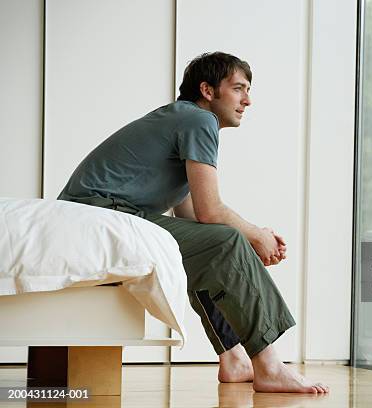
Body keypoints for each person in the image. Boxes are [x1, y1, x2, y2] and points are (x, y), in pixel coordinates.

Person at [57, 51, 329, 394]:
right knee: (226, 243)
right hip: (101, 217)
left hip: (102, 216)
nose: (248, 100)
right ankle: (270, 366)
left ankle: (233, 358)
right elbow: (212, 211)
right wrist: (255, 236)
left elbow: (198, 221)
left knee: (215, 244)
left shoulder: (182, 121)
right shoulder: (198, 121)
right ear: (208, 90)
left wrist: (248, 238)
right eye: (238, 88)